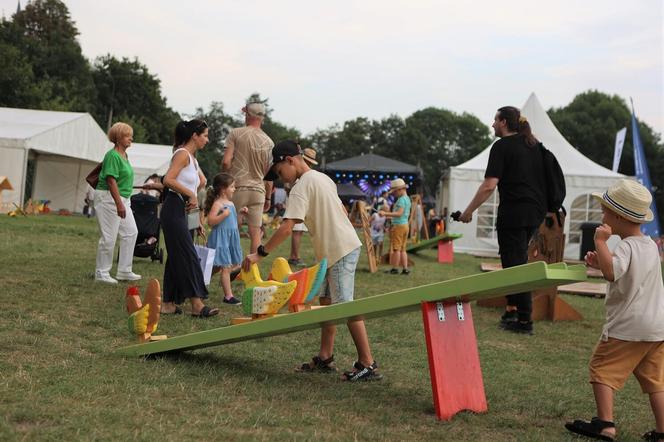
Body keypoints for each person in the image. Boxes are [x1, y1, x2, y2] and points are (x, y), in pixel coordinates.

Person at [243, 140, 382, 382]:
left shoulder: (300, 186)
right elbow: (339, 208)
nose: (280, 178)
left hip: (339, 249)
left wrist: (260, 253)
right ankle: (325, 356)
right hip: (338, 248)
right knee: (327, 301)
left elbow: (287, 227)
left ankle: (367, 363)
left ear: (289, 160)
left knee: (345, 306)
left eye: (278, 172)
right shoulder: (322, 177)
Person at [565, 179, 664, 442]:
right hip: (655, 328)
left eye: (605, 210)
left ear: (619, 216)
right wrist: (601, 261)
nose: (602, 215)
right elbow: (626, 273)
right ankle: (663, 432)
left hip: (628, 326)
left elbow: (612, 273)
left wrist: (600, 243)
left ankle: (606, 425)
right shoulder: (651, 246)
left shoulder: (626, 246)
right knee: (656, 381)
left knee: (601, 369)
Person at [458, 106, 546, 334]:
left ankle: (525, 321)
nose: (492, 124)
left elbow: (489, 185)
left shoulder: (502, 146)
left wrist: (468, 212)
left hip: (514, 214)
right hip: (534, 213)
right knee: (514, 262)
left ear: (504, 122)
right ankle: (513, 309)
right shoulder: (533, 145)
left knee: (515, 266)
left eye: (495, 120)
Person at [160, 119, 219, 318]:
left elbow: (201, 181)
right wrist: (191, 194)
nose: (207, 140)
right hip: (173, 208)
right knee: (187, 255)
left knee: (176, 257)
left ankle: (167, 304)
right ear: (194, 135)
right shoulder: (182, 154)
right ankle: (197, 305)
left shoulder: (192, 158)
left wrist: (196, 220)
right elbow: (168, 179)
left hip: (183, 211)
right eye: (205, 135)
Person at [222, 101, 274, 254]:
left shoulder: (236, 133)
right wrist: (268, 198)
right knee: (255, 233)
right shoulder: (269, 142)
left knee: (230, 229)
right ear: (262, 118)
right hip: (258, 190)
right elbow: (269, 176)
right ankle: (251, 270)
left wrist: (225, 180)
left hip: (236, 187)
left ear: (246, 114)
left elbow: (226, 162)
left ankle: (229, 267)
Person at [93, 122, 140, 284]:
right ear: (119, 138)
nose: (131, 138)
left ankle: (124, 270)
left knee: (131, 232)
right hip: (108, 198)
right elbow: (111, 181)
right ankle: (101, 272)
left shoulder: (124, 156)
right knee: (109, 237)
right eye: (128, 136)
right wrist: (119, 203)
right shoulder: (112, 156)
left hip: (122, 198)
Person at [204, 173, 247, 306]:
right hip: (220, 240)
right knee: (226, 267)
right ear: (223, 189)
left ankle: (200, 284)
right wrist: (223, 215)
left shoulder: (231, 204)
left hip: (229, 239)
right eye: (232, 186)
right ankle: (228, 296)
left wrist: (240, 214)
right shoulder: (218, 204)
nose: (234, 189)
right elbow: (210, 222)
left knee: (217, 267)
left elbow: (235, 224)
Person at [289, 147, 318, 266]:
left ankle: (294, 255)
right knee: (297, 231)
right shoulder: (299, 174)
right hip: (299, 204)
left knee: (299, 232)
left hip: (301, 204)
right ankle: (294, 257)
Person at [379, 178, 411, 275]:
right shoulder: (407, 199)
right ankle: (405, 269)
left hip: (399, 226)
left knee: (396, 249)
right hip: (405, 225)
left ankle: (395, 269)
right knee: (403, 249)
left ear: (400, 189)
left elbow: (399, 213)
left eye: (394, 192)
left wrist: (385, 213)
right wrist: (387, 215)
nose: (394, 194)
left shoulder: (401, 200)